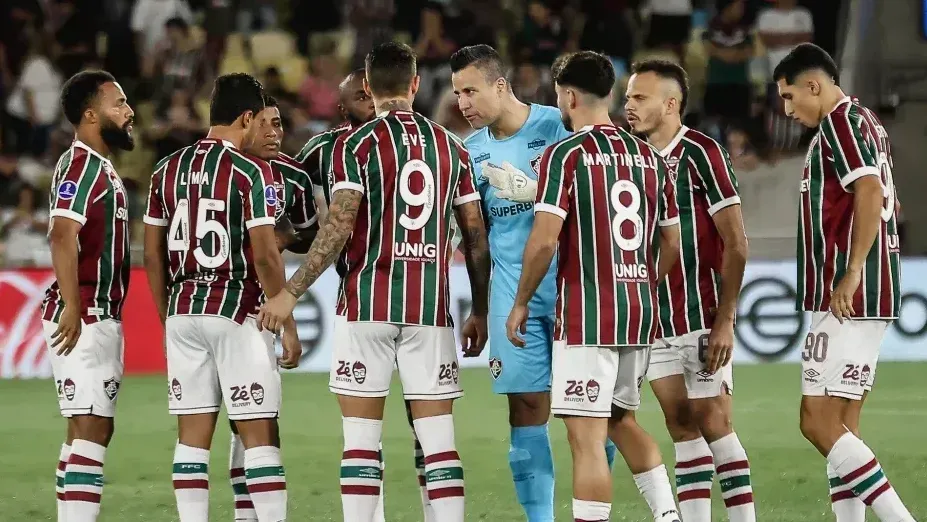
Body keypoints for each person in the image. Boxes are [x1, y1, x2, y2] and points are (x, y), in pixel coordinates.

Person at [258, 41, 491, 522]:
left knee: (361, 443)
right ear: (415, 84)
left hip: (366, 305)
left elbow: (338, 227)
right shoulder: (451, 145)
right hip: (429, 310)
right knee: (440, 446)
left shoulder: (355, 145)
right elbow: (474, 237)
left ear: (367, 87)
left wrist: (291, 292)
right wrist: (481, 310)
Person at [506, 51, 682, 522]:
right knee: (621, 421)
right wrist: (642, 283)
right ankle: (669, 517)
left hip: (587, 316)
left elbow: (543, 241)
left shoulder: (565, 155)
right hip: (638, 312)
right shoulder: (649, 156)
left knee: (586, 437)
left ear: (568, 95)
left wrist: (521, 301)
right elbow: (671, 239)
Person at [449, 43, 618, 522]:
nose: (463, 103)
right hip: (510, 292)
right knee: (525, 405)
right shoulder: (470, 152)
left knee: (588, 414)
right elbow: (475, 240)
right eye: (457, 93)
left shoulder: (558, 123)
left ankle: (592, 512)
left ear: (500, 86)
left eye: (471, 91)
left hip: (574, 289)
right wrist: (481, 310)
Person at [142, 73, 300, 522]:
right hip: (235, 309)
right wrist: (286, 323)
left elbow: (153, 256)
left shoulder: (164, 169)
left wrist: (166, 317)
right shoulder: (249, 172)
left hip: (183, 310)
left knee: (191, 438)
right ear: (246, 117)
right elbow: (268, 257)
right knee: (259, 434)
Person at [774, 43, 914, 522]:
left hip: (847, 294)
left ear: (815, 85)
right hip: (872, 290)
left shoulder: (840, 122)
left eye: (791, 97)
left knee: (816, 422)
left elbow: (870, 189)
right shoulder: (867, 121)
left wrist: (851, 271)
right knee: (843, 428)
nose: (788, 111)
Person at [295, 69, 436, 522]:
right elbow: (291, 196)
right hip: (364, 292)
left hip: (402, 293)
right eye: (355, 94)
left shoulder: (419, 143)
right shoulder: (324, 150)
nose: (364, 95)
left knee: (423, 428)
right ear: (341, 109)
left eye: (367, 88)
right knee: (364, 434)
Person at [625, 59, 755, 522]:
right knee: (680, 424)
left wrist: (725, 319)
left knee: (713, 420)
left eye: (640, 98)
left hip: (700, 314)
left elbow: (736, 241)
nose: (629, 106)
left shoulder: (703, 153)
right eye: (627, 98)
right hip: (654, 318)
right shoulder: (632, 158)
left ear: (671, 103)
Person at [41, 69, 135, 522]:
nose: (130, 111)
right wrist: (74, 310)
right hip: (86, 311)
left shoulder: (97, 166)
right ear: (91, 113)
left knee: (85, 427)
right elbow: (62, 237)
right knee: (93, 428)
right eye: (119, 103)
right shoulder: (81, 164)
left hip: (91, 310)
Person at [225, 93, 317, 522]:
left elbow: (307, 232)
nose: (274, 133)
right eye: (265, 123)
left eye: (279, 124)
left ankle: (248, 514)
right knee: (221, 419)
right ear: (244, 124)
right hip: (212, 304)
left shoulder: (292, 177)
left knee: (259, 415)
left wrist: (276, 240)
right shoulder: (221, 169)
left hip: (257, 308)